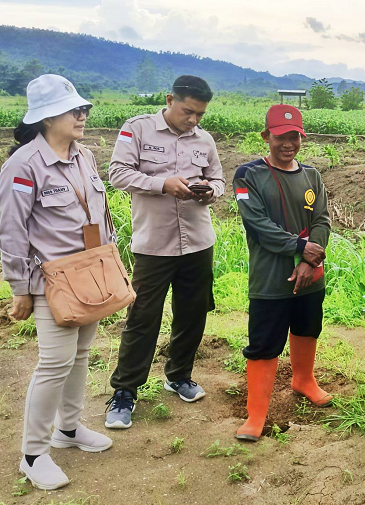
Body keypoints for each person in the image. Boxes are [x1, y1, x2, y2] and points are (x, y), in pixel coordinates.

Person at [0, 74, 114, 490]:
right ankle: (33, 454)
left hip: (91, 274)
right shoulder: (24, 164)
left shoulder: (84, 156)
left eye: (84, 109)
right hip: (53, 280)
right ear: (47, 118)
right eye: (74, 110)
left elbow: (99, 215)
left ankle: (68, 428)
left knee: (80, 355)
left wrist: (109, 262)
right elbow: (11, 230)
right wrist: (20, 288)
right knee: (53, 364)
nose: (83, 116)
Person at [104, 75, 224, 429]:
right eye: (188, 111)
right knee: (143, 317)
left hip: (198, 242)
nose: (193, 120)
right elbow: (117, 174)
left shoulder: (204, 140)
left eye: (200, 114)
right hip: (154, 244)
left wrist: (210, 191)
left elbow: (219, 180)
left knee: (192, 313)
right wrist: (162, 184)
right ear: (170, 100)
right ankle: (125, 391)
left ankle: (179, 375)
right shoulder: (138, 129)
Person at [233, 105, 332, 441]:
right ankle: (256, 414)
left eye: (294, 137)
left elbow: (322, 220)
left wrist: (309, 260)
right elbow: (258, 224)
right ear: (266, 136)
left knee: (307, 327)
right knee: (264, 343)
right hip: (270, 278)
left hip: (310, 275)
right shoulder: (248, 175)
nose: (288, 144)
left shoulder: (312, 176)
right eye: (280, 137)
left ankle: (304, 380)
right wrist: (300, 247)